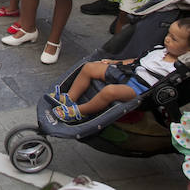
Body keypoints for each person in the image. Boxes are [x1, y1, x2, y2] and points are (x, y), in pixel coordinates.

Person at [50, 19, 190, 123]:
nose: (167, 39)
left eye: (174, 39)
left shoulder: (177, 67)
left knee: (110, 91)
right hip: (129, 72)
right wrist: (115, 63)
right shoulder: (160, 49)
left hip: (140, 88)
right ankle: (70, 98)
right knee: (90, 67)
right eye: (168, 34)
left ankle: (81, 111)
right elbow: (136, 60)